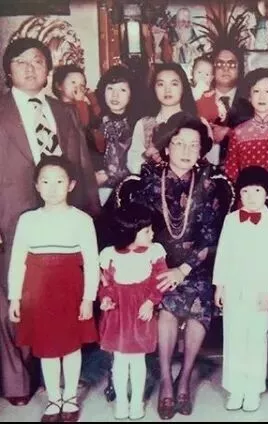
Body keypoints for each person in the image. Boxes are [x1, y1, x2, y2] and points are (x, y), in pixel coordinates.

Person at [0, 37, 100, 406]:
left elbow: (82, 166)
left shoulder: (64, 111)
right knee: (15, 299)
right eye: (21, 62)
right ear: (8, 70)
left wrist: (91, 214)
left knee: (59, 300)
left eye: (38, 61)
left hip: (63, 216)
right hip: (11, 219)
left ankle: (59, 376)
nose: (30, 68)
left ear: (48, 70)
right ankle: (18, 380)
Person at [131, 115, 234, 420]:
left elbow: (211, 237)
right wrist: (161, 267)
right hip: (157, 264)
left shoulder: (209, 182)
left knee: (199, 309)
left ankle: (185, 378)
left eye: (193, 145)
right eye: (179, 143)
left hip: (196, 266)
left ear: (201, 150)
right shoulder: (149, 181)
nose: (186, 151)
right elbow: (138, 230)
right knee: (167, 310)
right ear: (167, 147)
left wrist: (183, 270)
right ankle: (166, 380)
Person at [8, 156, 99, 422]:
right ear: (37, 186)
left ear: (71, 185)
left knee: (70, 348)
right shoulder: (28, 220)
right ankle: (54, 399)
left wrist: (88, 298)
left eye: (59, 181)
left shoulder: (81, 220)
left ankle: (70, 398)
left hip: (70, 291)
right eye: (45, 182)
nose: (52, 188)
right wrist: (15, 297)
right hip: (37, 294)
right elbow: (18, 261)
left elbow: (91, 263)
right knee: (47, 349)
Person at [213, 166, 268, 412]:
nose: (251, 196)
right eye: (245, 191)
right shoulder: (231, 220)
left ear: (267, 194)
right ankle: (235, 389)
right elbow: (223, 254)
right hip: (234, 287)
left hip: (259, 291)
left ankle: (252, 389)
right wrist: (220, 286)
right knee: (233, 337)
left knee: (256, 339)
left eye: (257, 191)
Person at [98, 204, 168, 420]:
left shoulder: (154, 252)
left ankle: (137, 402)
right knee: (119, 361)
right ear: (129, 233)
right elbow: (106, 284)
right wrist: (106, 299)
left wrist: (151, 302)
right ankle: (122, 402)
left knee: (137, 361)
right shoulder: (110, 254)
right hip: (118, 314)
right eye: (146, 231)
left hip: (140, 312)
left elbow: (160, 281)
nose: (152, 234)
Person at [127, 63, 197, 175]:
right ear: (154, 88)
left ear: (183, 87)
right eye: (161, 84)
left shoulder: (195, 123)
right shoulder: (144, 124)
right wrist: (147, 158)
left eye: (174, 84)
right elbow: (133, 161)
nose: (167, 90)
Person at [223, 68, 268, 182]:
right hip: (247, 191)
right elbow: (231, 173)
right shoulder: (238, 132)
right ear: (249, 96)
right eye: (256, 91)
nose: (262, 97)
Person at [93, 65, 141, 205]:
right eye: (110, 89)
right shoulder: (93, 124)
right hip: (100, 193)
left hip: (132, 192)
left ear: (132, 94)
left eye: (122, 90)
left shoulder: (138, 125)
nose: (115, 95)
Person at [196, 46, 252, 164]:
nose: (225, 68)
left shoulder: (252, 101)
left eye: (231, 64)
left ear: (239, 69)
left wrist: (229, 133)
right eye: (220, 64)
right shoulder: (199, 99)